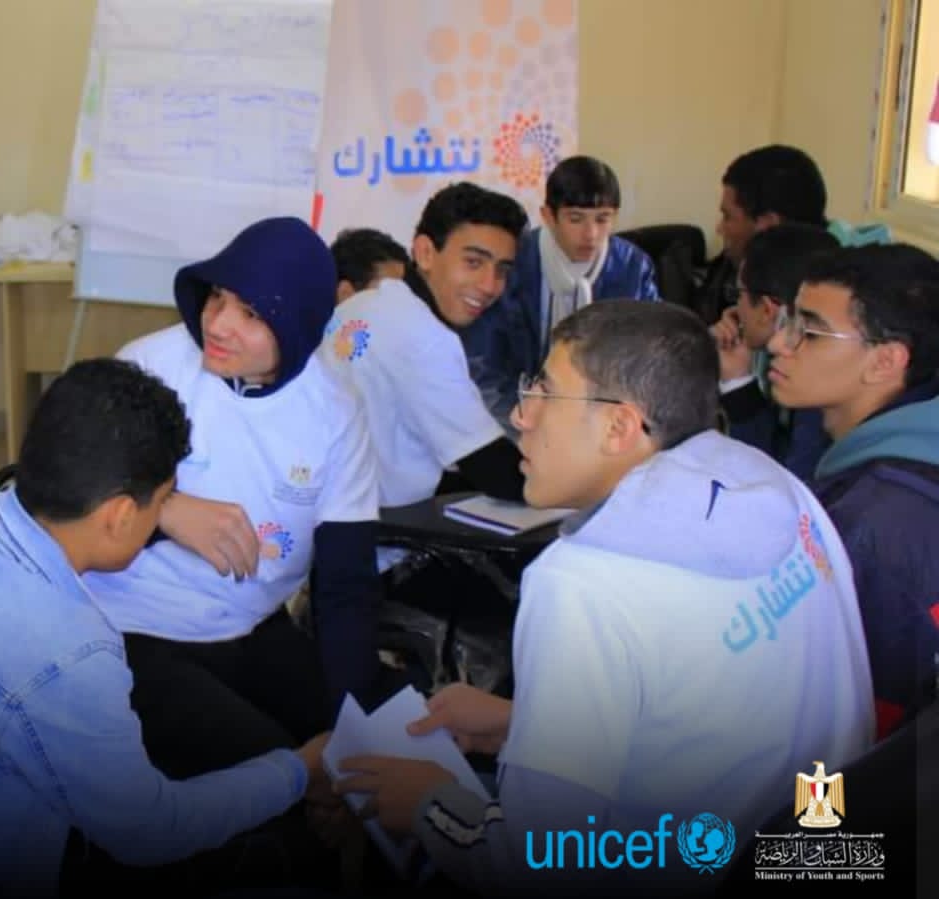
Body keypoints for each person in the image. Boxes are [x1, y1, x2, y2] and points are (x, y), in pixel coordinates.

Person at [331, 301, 874, 895]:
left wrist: (430, 804)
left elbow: (543, 863)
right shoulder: (777, 488)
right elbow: (718, 709)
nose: (519, 416)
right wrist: (524, 724)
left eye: (545, 392)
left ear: (619, 426)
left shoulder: (583, 579)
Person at [0, 357, 331, 897]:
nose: (164, 515)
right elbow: (151, 830)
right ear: (120, 516)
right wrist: (296, 771)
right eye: (164, 500)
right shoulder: (67, 650)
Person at [82, 216, 380, 780]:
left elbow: (346, 587)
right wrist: (164, 509)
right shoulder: (149, 366)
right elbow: (65, 501)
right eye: (217, 297)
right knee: (274, 770)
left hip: (252, 626)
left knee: (356, 750)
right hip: (130, 626)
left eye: (251, 314)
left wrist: (354, 728)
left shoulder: (335, 410)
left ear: (297, 326)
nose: (218, 324)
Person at [765, 244, 939, 739]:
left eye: (810, 332)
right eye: (787, 321)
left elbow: (865, 731)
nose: (778, 343)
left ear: (885, 361)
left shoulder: (873, 523)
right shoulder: (891, 458)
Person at [322, 186, 528, 507]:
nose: (489, 286)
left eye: (502, 270)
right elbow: (492, 468)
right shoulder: (422, 337)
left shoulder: (367, 304)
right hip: (369, 525)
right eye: (474, 262)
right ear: (425, 253)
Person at [461, 157, 659, 426]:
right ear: (548, 216)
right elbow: (484, 363)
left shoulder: (634, 268)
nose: (591, 234)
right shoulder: (515, 262)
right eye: (575, 219)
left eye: (603, 219)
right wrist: (523, 424)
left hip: (603, 419)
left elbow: (646, 361)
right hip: (518, 414)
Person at [710, 223, 839, 481]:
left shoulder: (817, 386)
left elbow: (774, 479)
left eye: (738, 294)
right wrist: (737, 378)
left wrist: (738, 386)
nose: (735, 307)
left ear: (768, 309)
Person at [693, 145, 829, 324]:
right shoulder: (723, 274)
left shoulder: (837, 298)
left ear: (767, 226)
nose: (719, 229)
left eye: (727, 216)